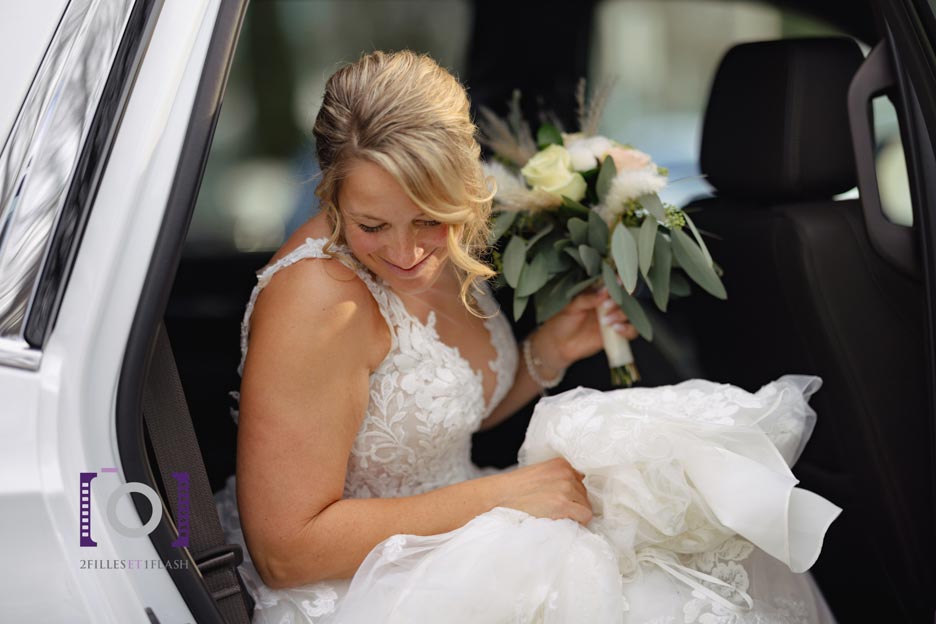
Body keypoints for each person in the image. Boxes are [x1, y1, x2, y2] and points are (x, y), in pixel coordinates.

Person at [214, 50, 839, 623]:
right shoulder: (318, 301)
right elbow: (288, 552)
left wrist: (549, 352)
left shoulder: (447, 249)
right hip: (359, 583)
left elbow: (433, 427)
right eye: (371, 223)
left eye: (431, 218)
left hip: (454, 529)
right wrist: (500, 496)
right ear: (332, 192)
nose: (405, 253)